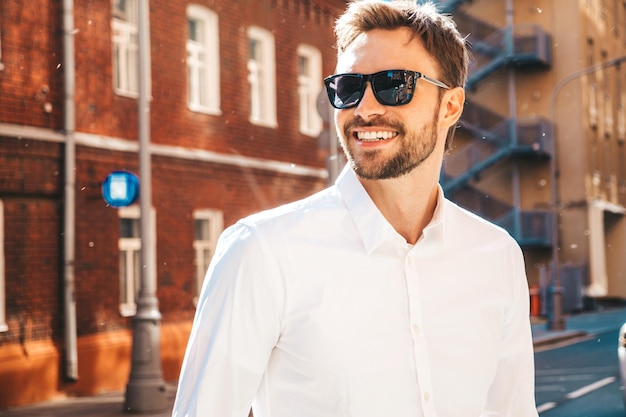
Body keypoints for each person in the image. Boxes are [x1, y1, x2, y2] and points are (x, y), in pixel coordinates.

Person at [171, 1, 539, 416]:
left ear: (450, 106)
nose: (364, 108)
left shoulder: (497, 256)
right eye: (348, 87)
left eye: (393, 84)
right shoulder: (262, 252)